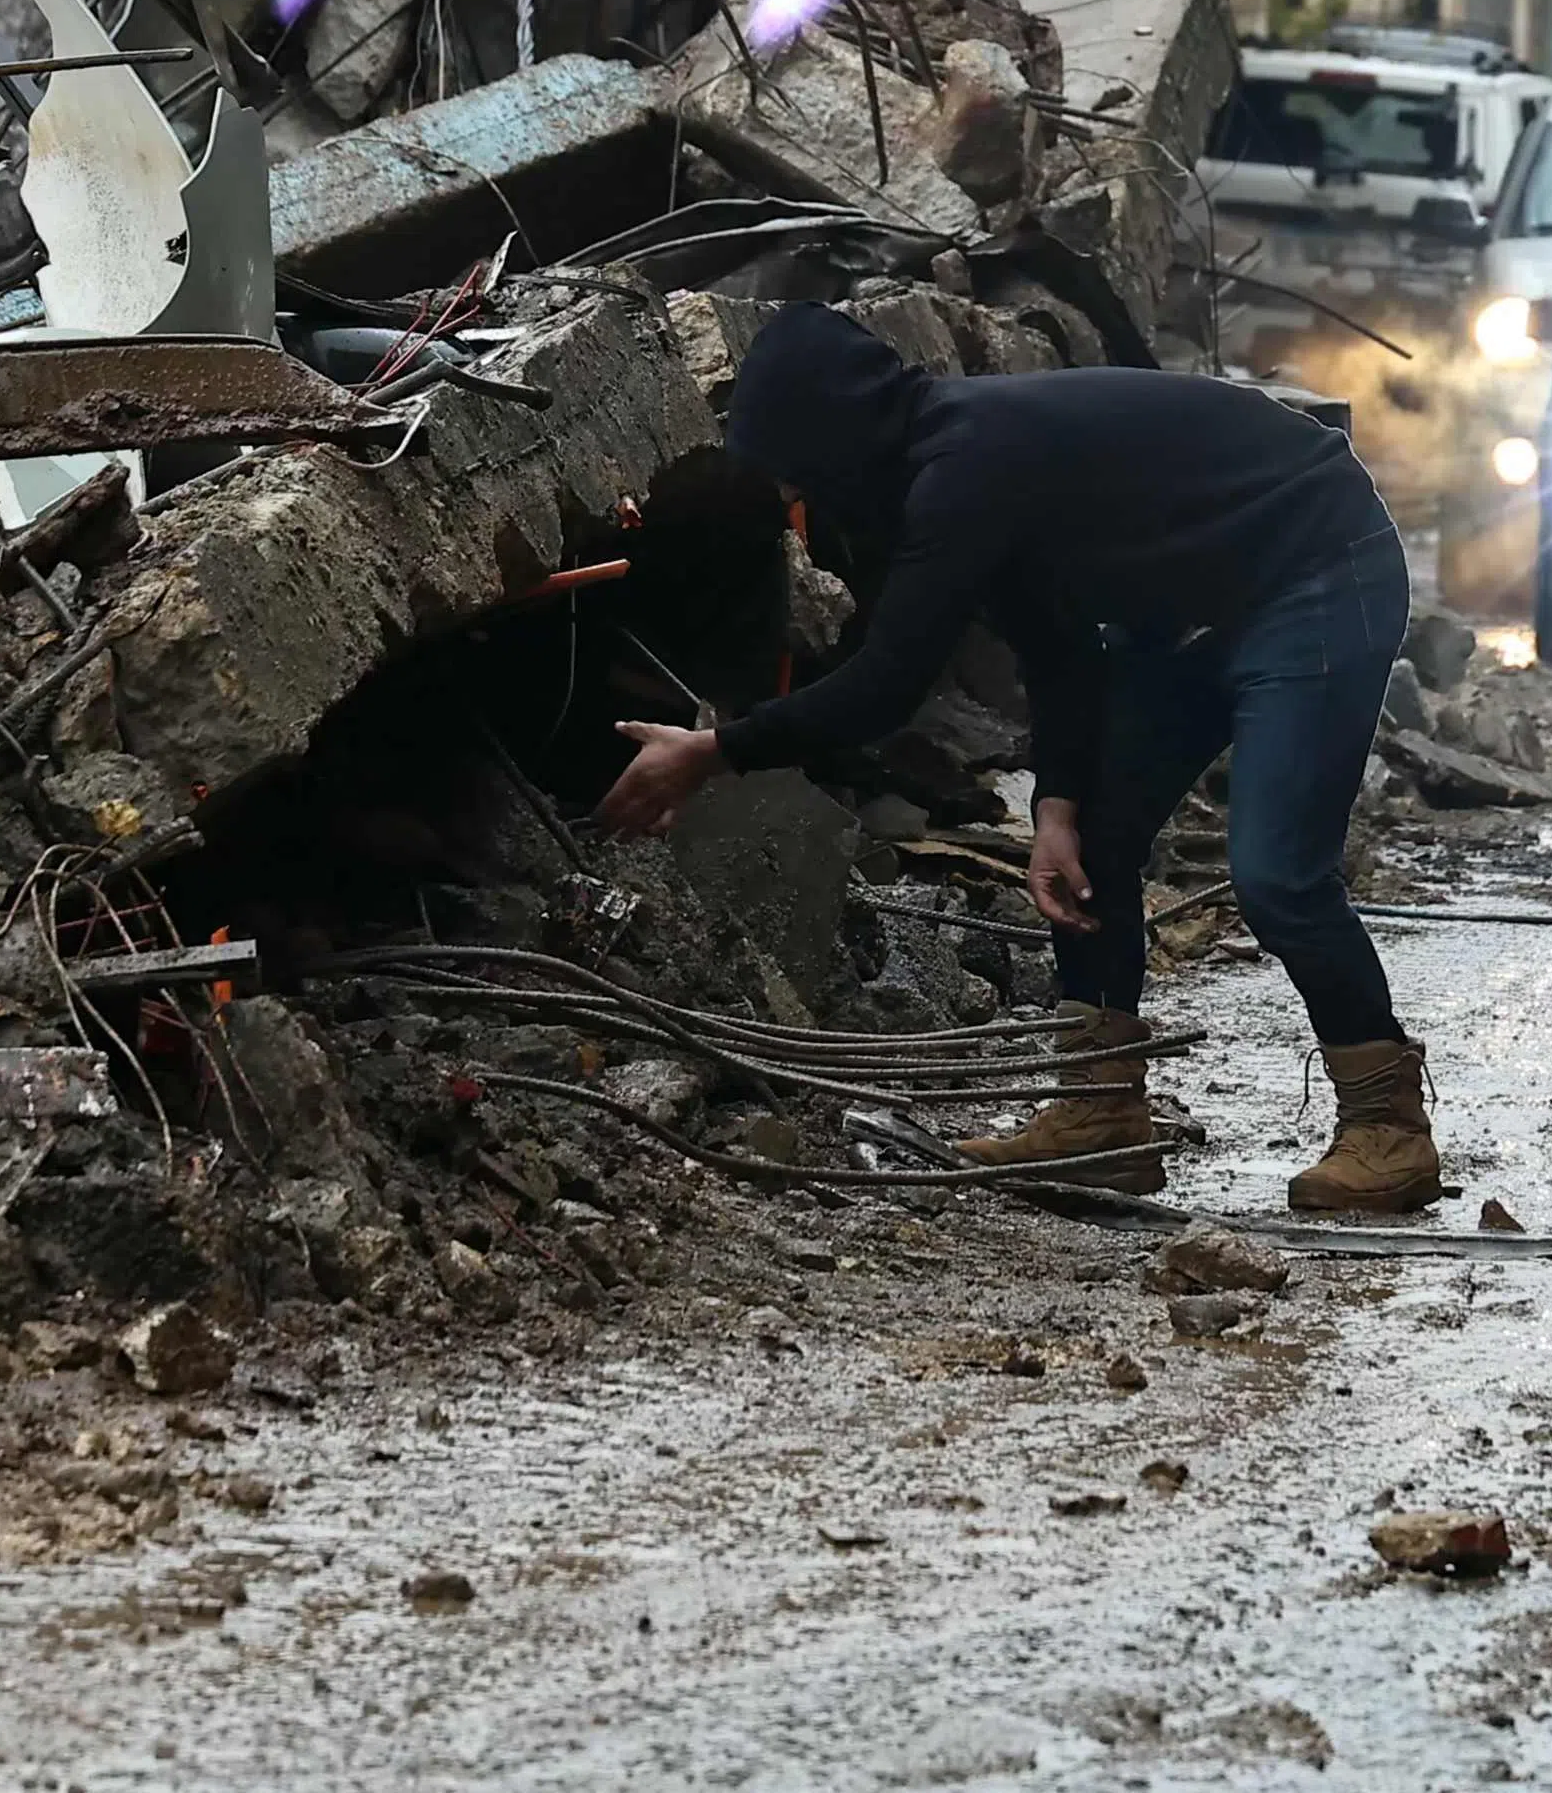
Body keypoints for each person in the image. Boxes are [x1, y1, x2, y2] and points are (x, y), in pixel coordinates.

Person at [586, 308, 1443, 1211]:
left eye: (799, 475)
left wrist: (712, 752)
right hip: (1197, 607)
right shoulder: (950, 465)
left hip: (1321, 563)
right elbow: (1061, 645)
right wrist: (1057, 807)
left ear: (836, 443)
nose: (802, 505)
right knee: (1093, 849)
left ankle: (1387, 1127)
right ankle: (1100, 1111)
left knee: (1275, 871)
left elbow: (885, 686)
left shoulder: (965, 468)